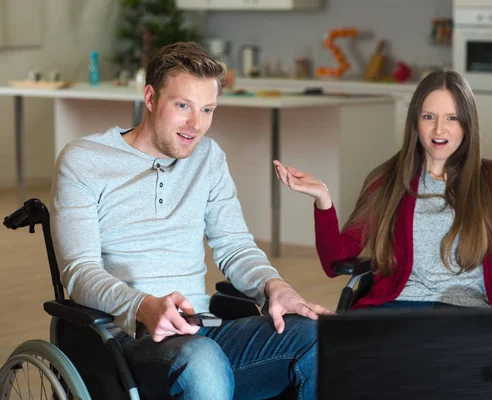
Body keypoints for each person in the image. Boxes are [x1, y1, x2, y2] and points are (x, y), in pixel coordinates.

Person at [50, 41, 332, 400]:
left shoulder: (209, 158)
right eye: (183, 105)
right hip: (126, 342)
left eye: (208, 109)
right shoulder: (85, 160)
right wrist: (143, 306)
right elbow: (79, 271)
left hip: (204, 330)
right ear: (150, 98)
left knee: (319, 335)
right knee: (201, 358)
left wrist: (275, 288)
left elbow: (235, 246)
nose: (196, 125)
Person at [274, 69, 492, 310]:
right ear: (415, 122)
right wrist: (323, 201)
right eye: (429, 117)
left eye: (452, 118)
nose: (439, 130)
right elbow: (336, 262)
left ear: (467, 124)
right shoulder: (387, 181)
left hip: (464, 313)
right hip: (395, 309)